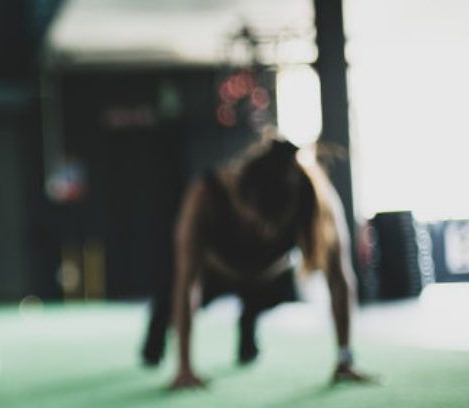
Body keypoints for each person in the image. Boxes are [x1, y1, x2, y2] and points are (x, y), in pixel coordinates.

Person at [147, 136, 370, 389]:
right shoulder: (206, 193)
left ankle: (248, 320)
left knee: (272, 298)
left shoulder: (314, 199)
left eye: (274, 225)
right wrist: (185, 368)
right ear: (242, 199)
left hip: (268, 275)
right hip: (215, 271)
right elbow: (187, 282)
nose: (266, 232)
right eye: (258, 222)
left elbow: (339, 280)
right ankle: (155, 337)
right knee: (167, 307)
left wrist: (345, 358)